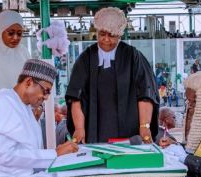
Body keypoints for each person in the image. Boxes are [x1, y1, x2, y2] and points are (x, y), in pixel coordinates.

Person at [65, 7, 159, 144]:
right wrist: (79, 128)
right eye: (102, 34)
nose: (106, 40)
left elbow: (146, 93)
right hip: (93, 132)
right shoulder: (86, 59)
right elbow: (75, 97)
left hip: (129, 131)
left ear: (120, 35)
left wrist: (144, 126)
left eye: (112, 35)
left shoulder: (133, 57)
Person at [0, 10, 30, 102]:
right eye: (11, 33)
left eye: (19, 33)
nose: (15, 38)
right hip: (0, 110)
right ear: (0, 30)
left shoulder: (23, 52)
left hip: (24, 107)